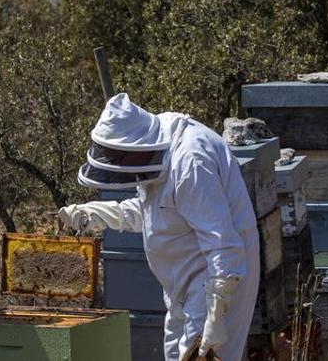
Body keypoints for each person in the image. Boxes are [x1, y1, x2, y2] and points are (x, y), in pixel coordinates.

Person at [59, 93, 260, 360]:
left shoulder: (191, 162)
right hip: (182, 282)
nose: (120, 167)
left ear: (135, 146)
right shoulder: (153, 148)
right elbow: (159, 213)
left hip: (216, 278)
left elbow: (223, 243)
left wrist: (217, 313)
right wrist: (99, 213)